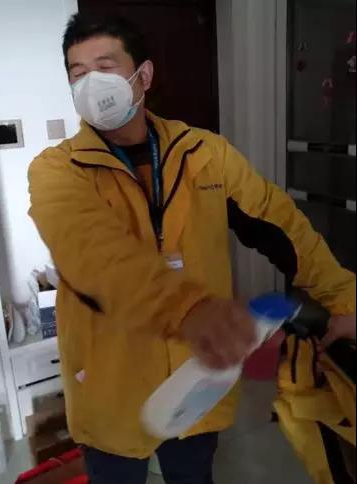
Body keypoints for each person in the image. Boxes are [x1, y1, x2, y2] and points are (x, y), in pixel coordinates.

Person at [28, 13, 356, 484]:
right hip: (110, 385)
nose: (91, 84)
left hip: (196, 378)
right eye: (78, 74)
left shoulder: (205, 154)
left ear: (143, 75)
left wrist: (346, 300)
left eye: (105, 67)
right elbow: (91, 251)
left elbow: (284, 227)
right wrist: (188, 310)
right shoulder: (57, 170)